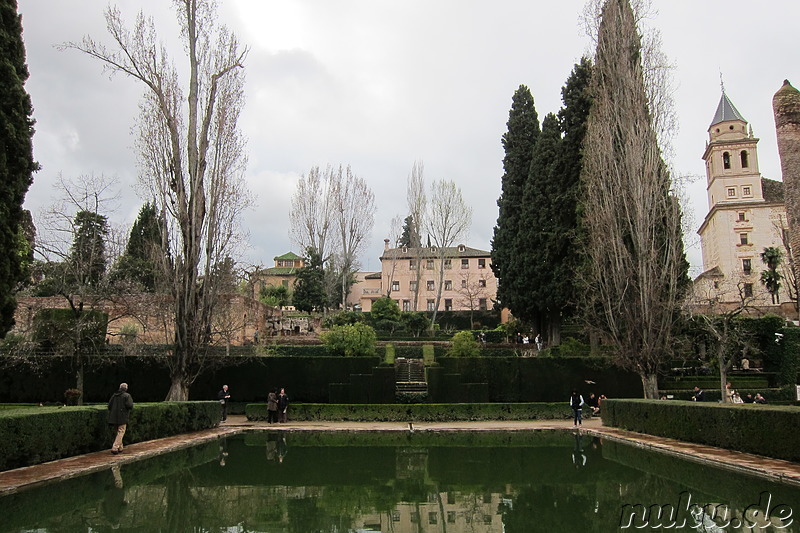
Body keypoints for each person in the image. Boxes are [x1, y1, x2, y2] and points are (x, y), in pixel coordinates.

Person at [108, 382, 133, 455]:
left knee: (118, 432)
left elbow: (109, 405)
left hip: (114, 417)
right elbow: (130, 405)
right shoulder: (127, 396)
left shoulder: (114, 395)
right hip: (122, 416)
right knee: (121, 431)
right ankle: (115, 447)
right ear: (126, 389)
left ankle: (120, 447)